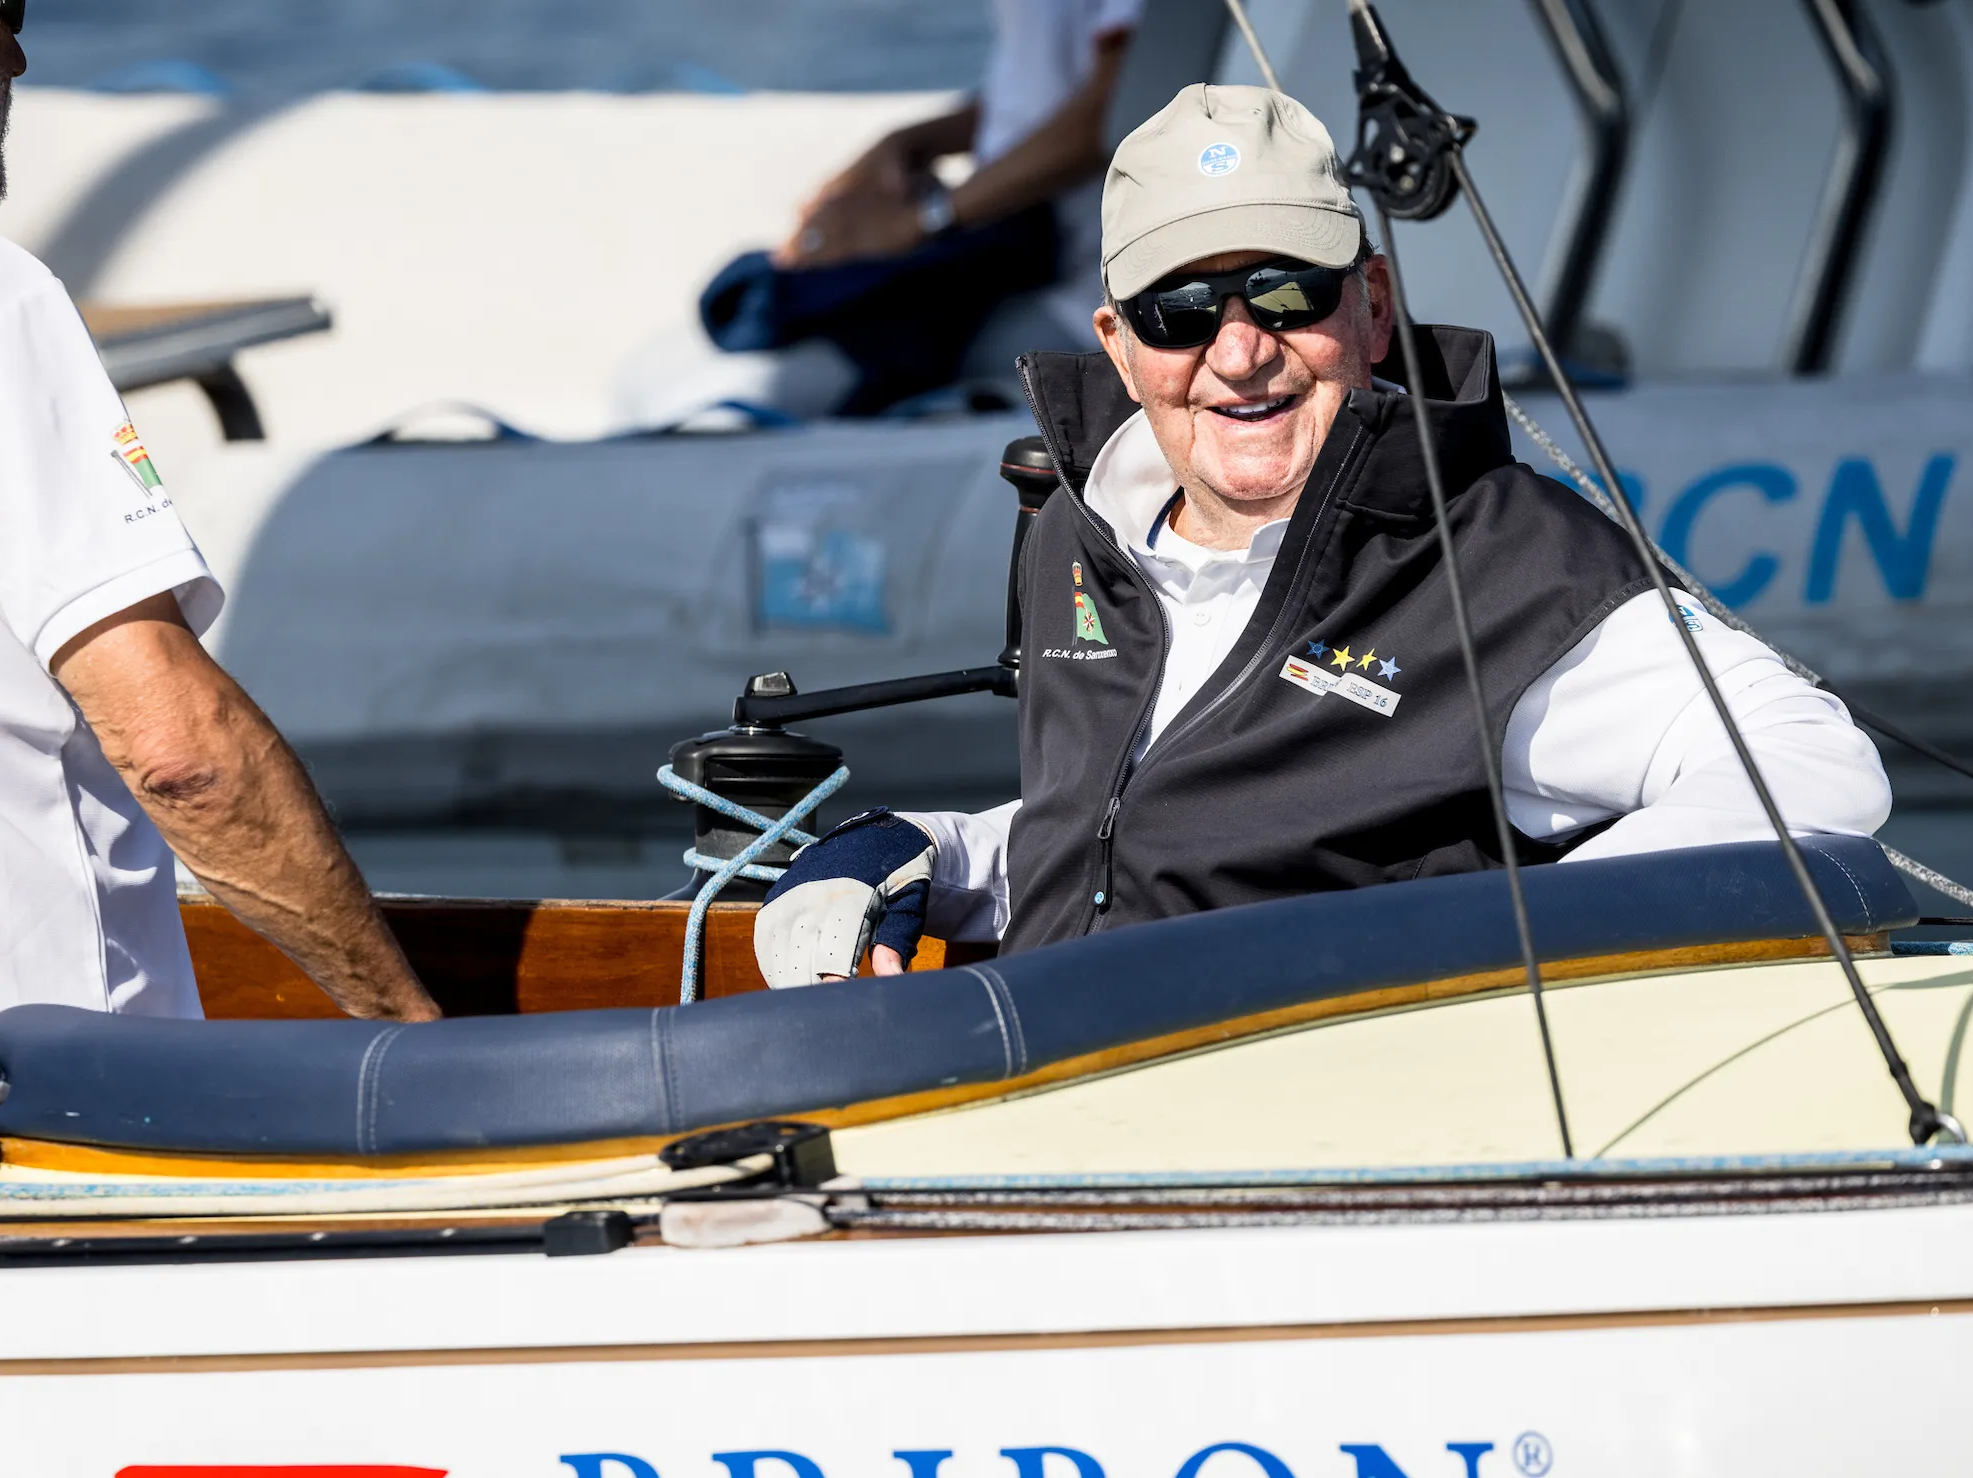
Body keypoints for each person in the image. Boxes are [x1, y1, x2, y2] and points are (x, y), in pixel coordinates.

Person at [753, 83, 1892, 986]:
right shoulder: (1081, 533)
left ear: (1375, 305)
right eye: (1180, 312)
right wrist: (927, 851)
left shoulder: (1505, 565)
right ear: (1118, 342)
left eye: (1284, 293)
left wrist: (1495, 954)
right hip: (1046, 1123)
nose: (1239, 350)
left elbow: (1812, 766)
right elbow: (1140, 825)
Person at [0, 0, 438, 1083]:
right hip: (34, 1109)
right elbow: (180, 755)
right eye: (3, 18)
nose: (21, 55)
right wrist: (417, 1037)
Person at [698, 0, 1141, 415]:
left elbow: (1117, 106)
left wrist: (926, 219)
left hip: (1075, 292)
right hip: (1006, 252)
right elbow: (1041, 89)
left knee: (781, 383)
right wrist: (910, 142)